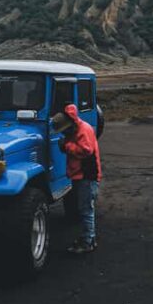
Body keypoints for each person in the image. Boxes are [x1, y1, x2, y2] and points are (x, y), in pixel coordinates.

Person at [53, 104, 102, 254]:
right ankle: (89, 238)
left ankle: (88, 241)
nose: (65, 133)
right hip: (81, 175)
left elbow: (86, 150)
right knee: (85, 208)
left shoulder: (84, 130)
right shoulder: (76, 130)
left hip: (87, 176)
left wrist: (67, 146)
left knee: (86, 209)